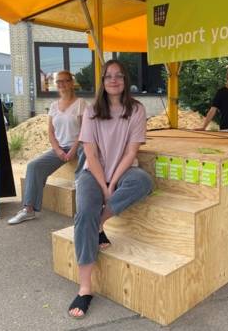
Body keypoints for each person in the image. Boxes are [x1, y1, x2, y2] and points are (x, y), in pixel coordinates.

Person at [68, 59, 153, 319]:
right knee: (84, 214)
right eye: (108, 76)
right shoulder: (92, 111)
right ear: (102, 82)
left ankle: (98, 224)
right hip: (92, 173)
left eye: (119, 76)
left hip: (123, 170)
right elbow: (90, 155)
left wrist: (113, 183)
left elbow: (131, 152)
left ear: (125, 81)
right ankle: (85, 289)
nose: (113, 80)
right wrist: (103, 185)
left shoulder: (137, 110)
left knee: (143, 181)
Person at [8, 70, 87, 225]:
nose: (62, 84)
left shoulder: (81, 104)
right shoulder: (53, 106)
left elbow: (85, 130)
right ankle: (28, 210)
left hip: (79, 146)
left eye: (65, 81)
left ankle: (83, 203)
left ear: (71, 83)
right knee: (33, 166)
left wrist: (72, 150)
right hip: (60, 148)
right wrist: (57, 150)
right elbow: (51, 132)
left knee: (87, 153)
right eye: (59, 82)